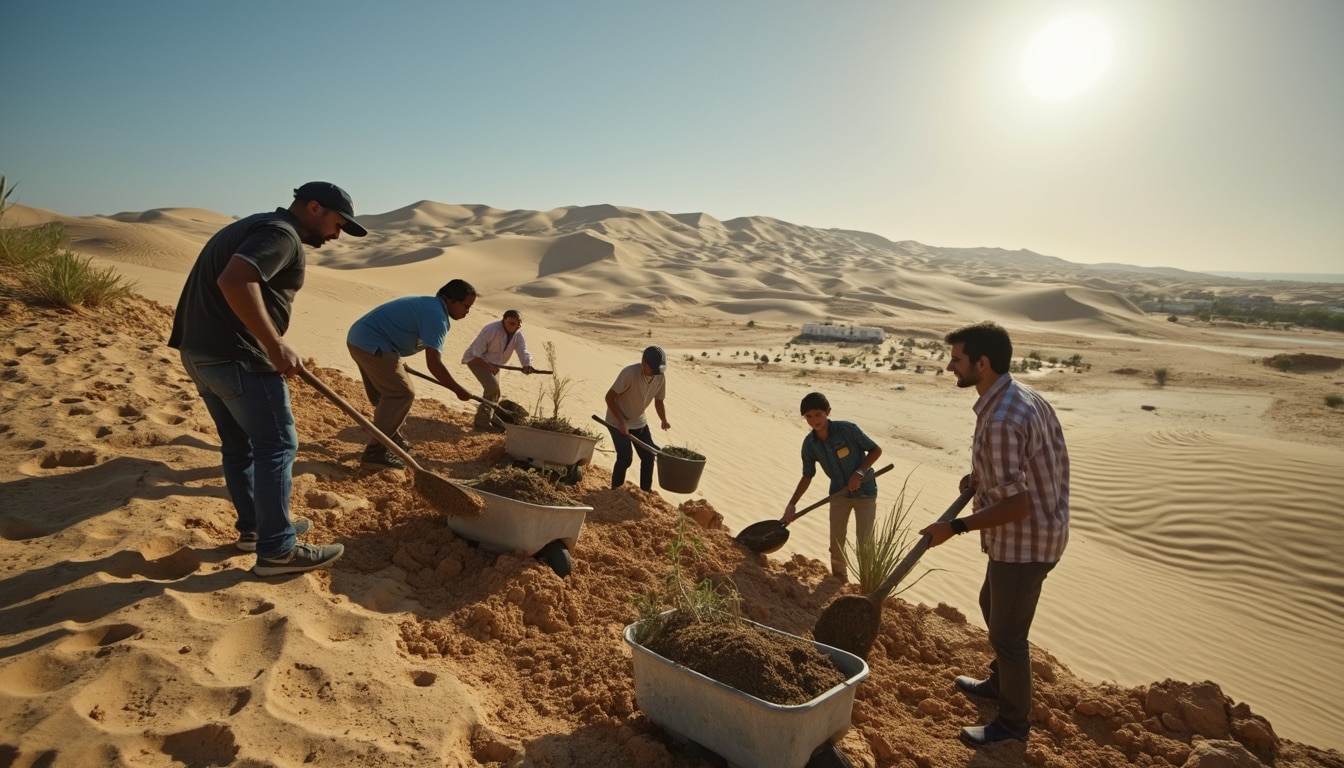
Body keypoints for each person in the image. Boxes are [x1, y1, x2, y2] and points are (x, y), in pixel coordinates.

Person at [168, 181, 366, 576]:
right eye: (338, 223)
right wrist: (274, 345)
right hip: (238, 356)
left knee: (240, 446)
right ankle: (277, 550)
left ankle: (257, 530)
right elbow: (235, 280)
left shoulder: (255, 225)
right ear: (314, 207)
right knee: (277, 444)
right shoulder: (281, 234)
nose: (337, 234)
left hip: (200, 353)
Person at [920, 321, 1070, 747]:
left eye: (956, 358)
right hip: (1031, 533)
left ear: (982, 363)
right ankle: (999, 682)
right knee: (991, 603)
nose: (950, 366)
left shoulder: (1002, 418)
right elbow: (1022, 467)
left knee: (1008, 636)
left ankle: (1013, 723)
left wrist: (954, 527)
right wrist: (980, 479)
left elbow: (1017, 505)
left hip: (1026, 540)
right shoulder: (1015, 398)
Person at [345, 279, 477, 468]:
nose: (467, 312)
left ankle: (392, 437)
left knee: (384, 395)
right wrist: (458, 389)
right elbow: (434, 364)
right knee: (401, 393)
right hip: (372, 344)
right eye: (466, 306)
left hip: (360, 339)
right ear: (450, 300)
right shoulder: (436, 316)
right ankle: (375, 452)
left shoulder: (430, 305)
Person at [781, 392, 883, 581]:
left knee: (865, 542)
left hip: (865, 493)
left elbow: (876, 450)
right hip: (838, 495)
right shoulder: (809, 445)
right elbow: (807, 475)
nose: (814, 420)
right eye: (809, 416)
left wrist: (859, 473)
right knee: (836, 542)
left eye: (818, 414)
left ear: (828, 412)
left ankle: (868, 583)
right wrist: (792, 504)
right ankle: (839, 580)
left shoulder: (848, 429)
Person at [603, 345, 670, 491]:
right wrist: (621, 422)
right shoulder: (629, 373)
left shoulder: (659, 376)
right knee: (625, 457)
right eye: (653, 369)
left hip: (638, 421)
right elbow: (609, 398)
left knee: (648, 456)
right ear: (644, 362)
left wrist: (663, 420)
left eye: (658, 370)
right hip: (617, 420)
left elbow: (659, 401)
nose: (655, 373)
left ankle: (645, 491)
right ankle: (615, 490)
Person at [461, 309, 535, 431]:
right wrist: (489, 366)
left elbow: (523, 351)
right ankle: (481, 423)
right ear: (504, 320)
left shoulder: (518, 334)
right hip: (476, 361)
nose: (517, 326)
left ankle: (489, 418)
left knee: (495, 392)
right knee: (492, 389)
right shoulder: (491, 329)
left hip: (494, 365)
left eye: (519, 323)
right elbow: (476, 353)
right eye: (512, 323)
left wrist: (527, 364)